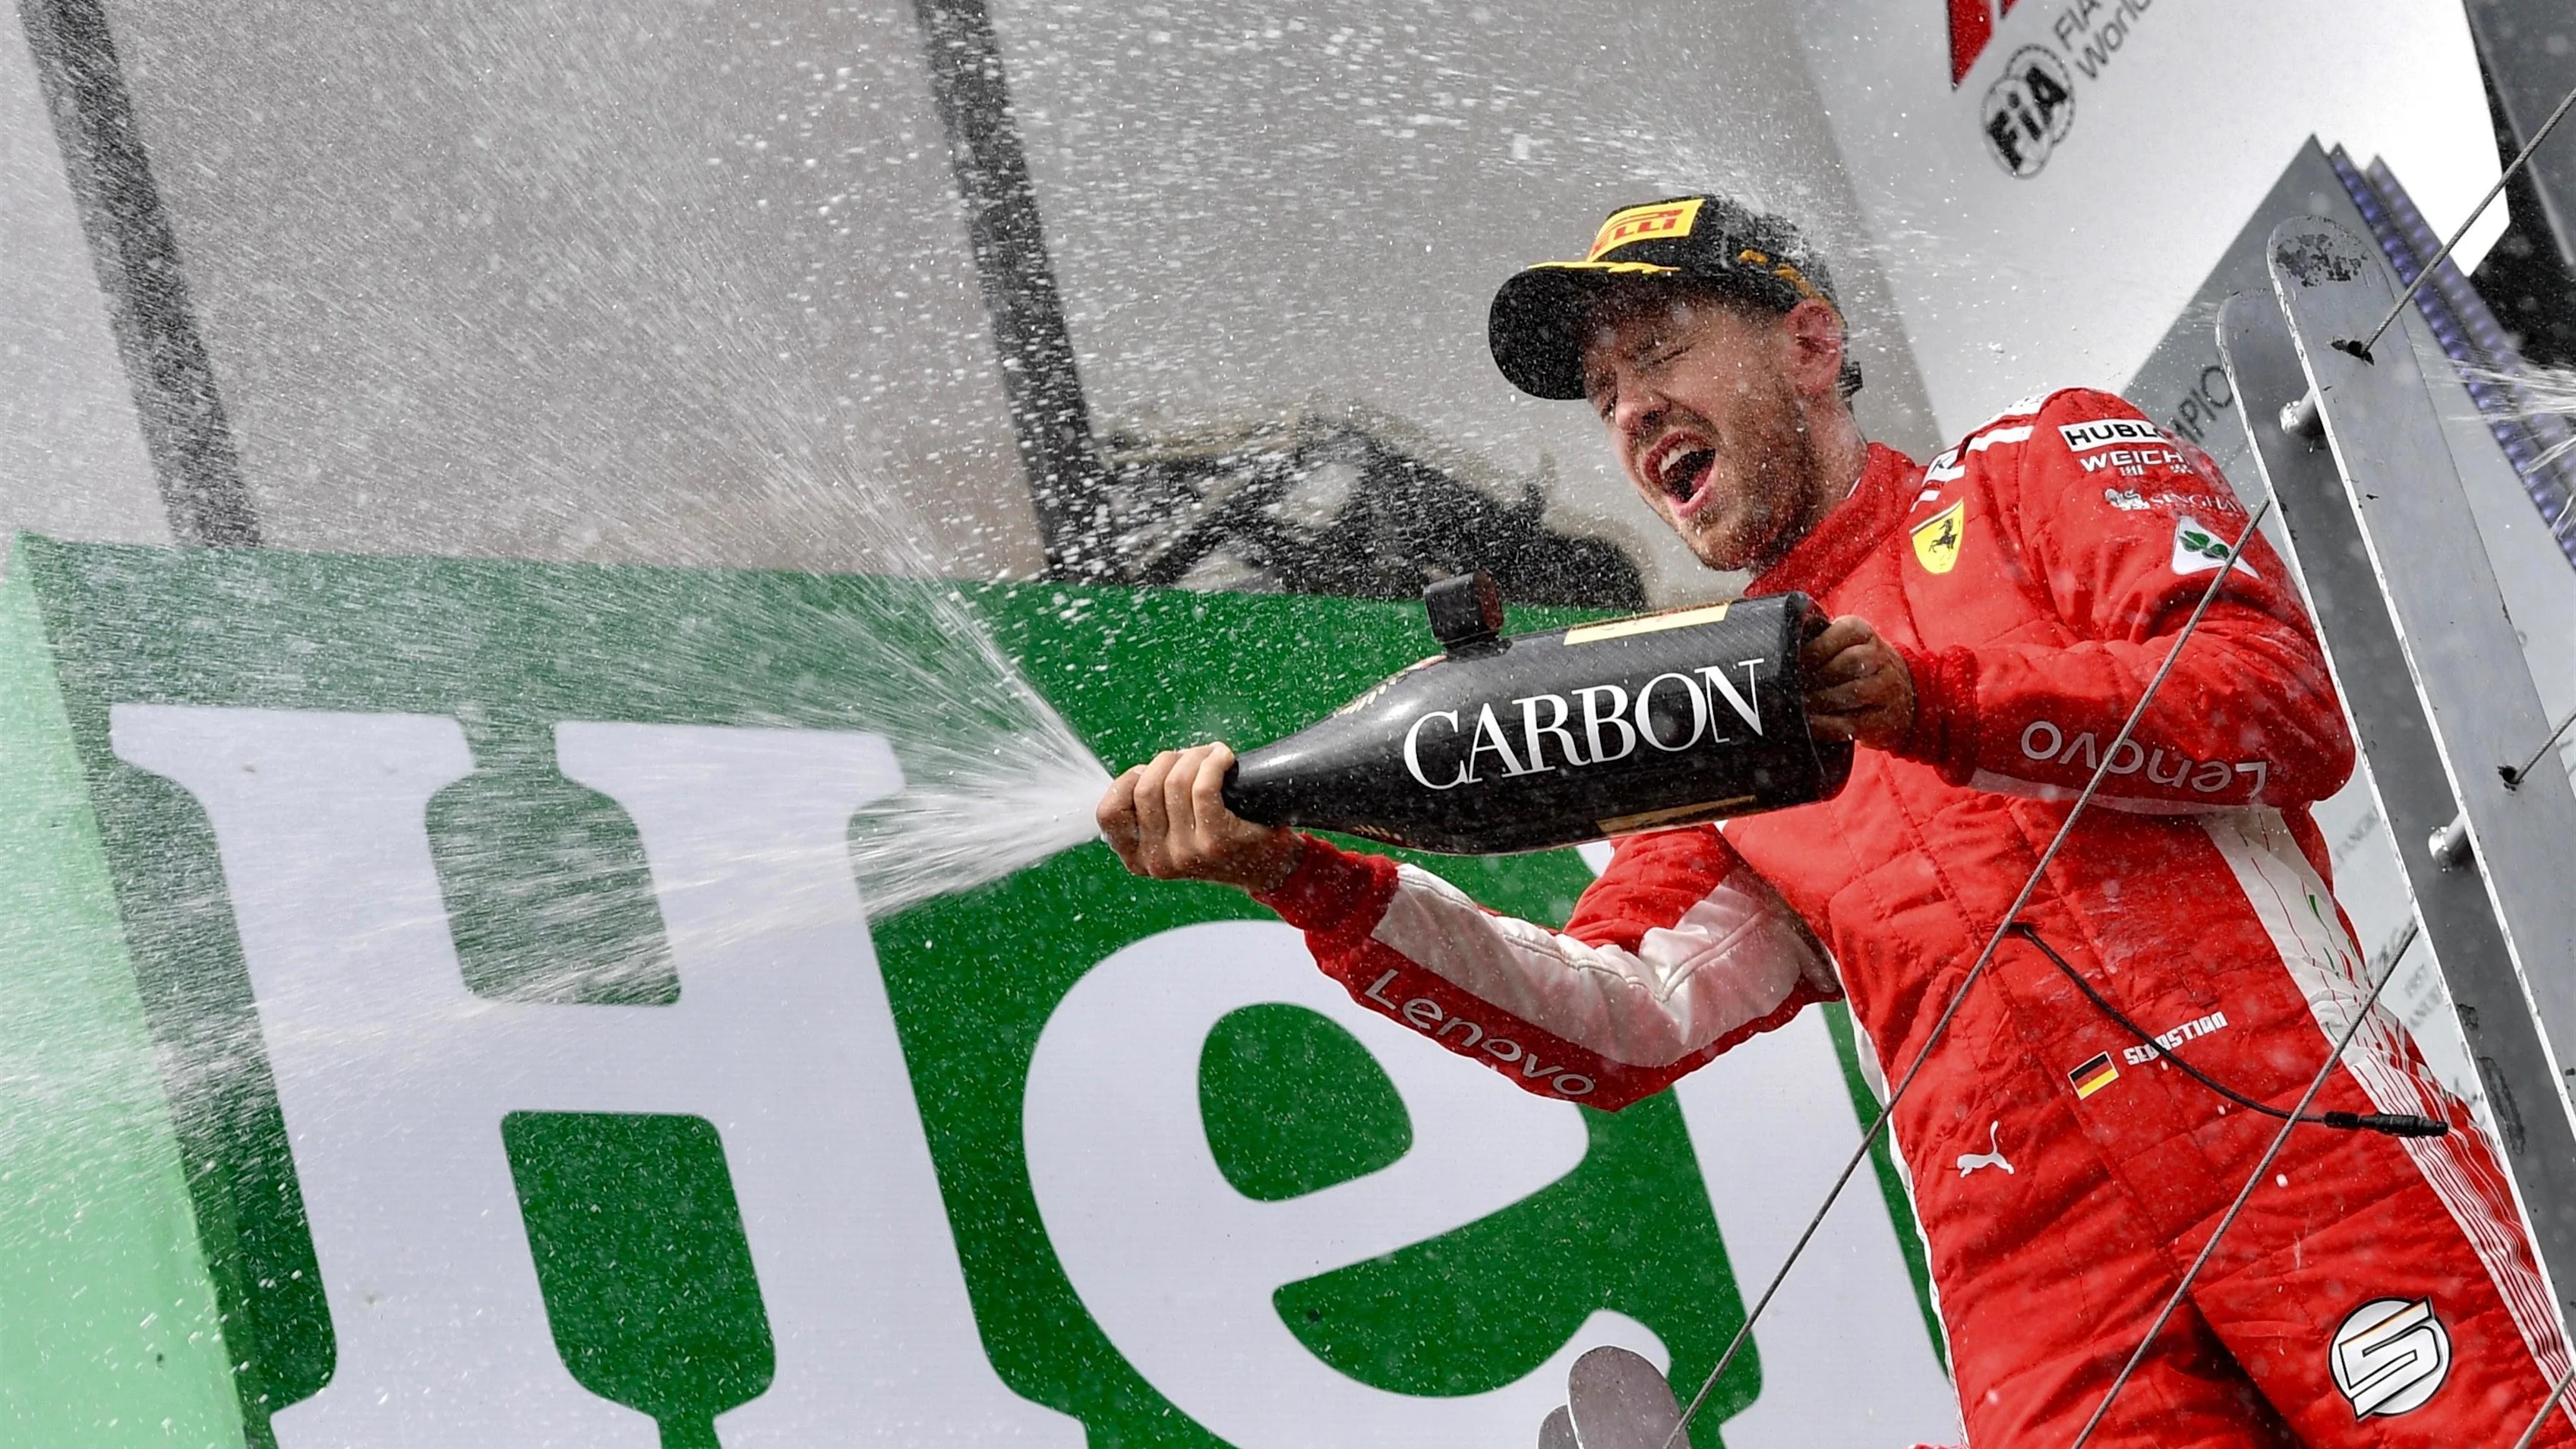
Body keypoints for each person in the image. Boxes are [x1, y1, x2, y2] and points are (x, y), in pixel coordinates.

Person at [1094, 193, 2574, 1447]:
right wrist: (1311, 883)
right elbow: (1620, 1022)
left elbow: (2280, 709)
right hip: (2033, 1289)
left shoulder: (2030, 471)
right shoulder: (1707, 707)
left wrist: (1933, 701)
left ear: (1805, 339)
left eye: (1658, 350)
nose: (1627, 411)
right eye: (1601, 394)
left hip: (2313, 1161)